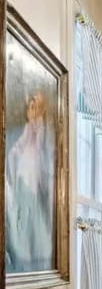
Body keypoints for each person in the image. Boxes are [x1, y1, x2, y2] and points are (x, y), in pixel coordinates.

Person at [5, 91, 55, 273]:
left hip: (32, 177)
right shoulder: (27, 130)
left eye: (35, 108)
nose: (31, 111)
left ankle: (29, 251)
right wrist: (14, 153)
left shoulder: (40, 130)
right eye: (30, 107)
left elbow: (43, 153)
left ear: (40, 111)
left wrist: (38, 131)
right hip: (23, 175)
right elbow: (17, 148)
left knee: (30, 214)